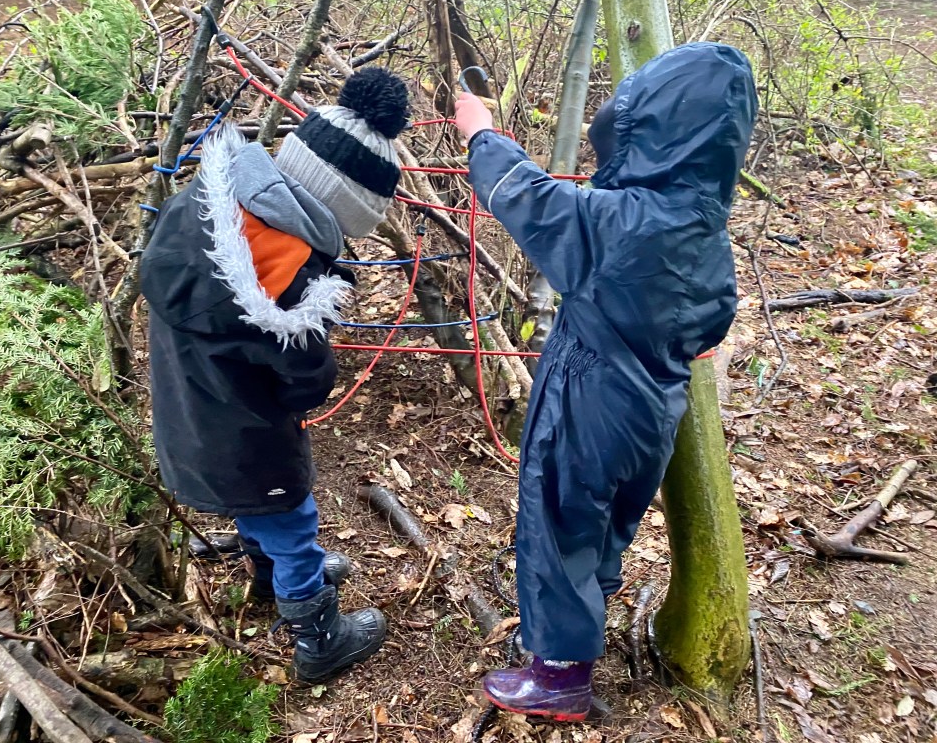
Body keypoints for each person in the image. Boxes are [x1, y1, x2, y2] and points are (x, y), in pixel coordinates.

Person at [452, 42, 758, 720]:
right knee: (602, 524)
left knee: (558, 525)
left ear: (657, 135)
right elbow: (714, 320)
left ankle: (559, 676)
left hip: (589, 406)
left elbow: (527, 198)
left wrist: (480, 133)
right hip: (654, 412)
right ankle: (587, 615)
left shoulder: (620, 225)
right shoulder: (705, 225)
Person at [141, 67, 411, 684]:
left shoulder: (202, 208)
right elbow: (307, 384)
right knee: (291, 519)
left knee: (258, 509)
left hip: (186, 417)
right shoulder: (286, 284)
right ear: (339, 212)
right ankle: (318, 638)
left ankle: (270, 579)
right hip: (248, 437)